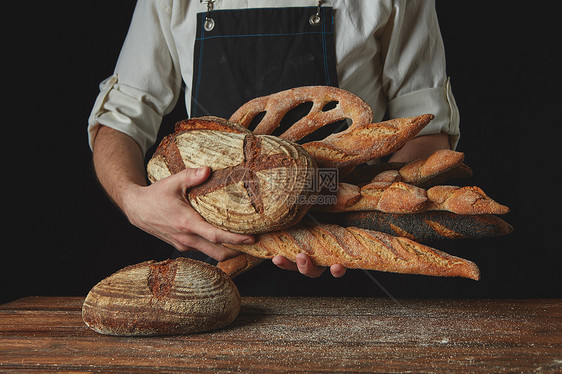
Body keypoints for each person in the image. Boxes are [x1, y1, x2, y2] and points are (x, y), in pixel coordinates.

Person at [88, 0, 459, 281]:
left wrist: (368, 214)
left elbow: (425, 125)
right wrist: (133, 200)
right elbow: (120, 118)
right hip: (211, 261)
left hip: (346, 243)